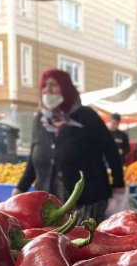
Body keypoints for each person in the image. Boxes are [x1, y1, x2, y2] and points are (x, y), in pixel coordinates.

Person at [14, 68, 125, 222]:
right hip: (50, 203)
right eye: (44, 86)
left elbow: (111, 151)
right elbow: (34, 160)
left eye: (53, 85)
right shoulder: (40, 120)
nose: (48, 90)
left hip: (87, 202)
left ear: (65, 87)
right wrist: (19, 189)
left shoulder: (86, 116)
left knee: (83, 242)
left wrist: (118, 185)